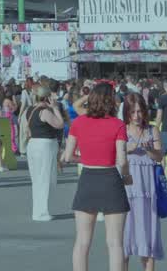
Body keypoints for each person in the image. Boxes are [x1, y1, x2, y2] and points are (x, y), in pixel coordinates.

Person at [63, 83, 131, 271]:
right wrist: (126, 176)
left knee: (82, 242)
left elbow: (68, 156)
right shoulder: (118, 125)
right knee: (115, 243)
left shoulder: (79, 122)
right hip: (110, 178)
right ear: (112, 101)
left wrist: (84, 157)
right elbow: (122, 160)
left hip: (88, 178)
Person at [122, 93, 164, 271]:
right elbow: (112, 155)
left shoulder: (152, 130)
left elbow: (159, 156)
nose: (137, 116)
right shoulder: (121, 129)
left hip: (147, 191)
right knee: (123, 241)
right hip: (126, 189)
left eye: (140, 111)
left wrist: (149, 151)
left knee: (147, 240)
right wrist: (126, 149)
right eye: (133, 112)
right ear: (127, 113)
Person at [23, 81, 66, 221]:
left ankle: (38, 210)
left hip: (33, 144)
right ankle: (41, 212)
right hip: (45, 144)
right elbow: (60, 124)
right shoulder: (45, 111)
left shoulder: (30, 110)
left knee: (37, 179)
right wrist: (56, 109)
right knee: (44, 178)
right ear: (47, 97)